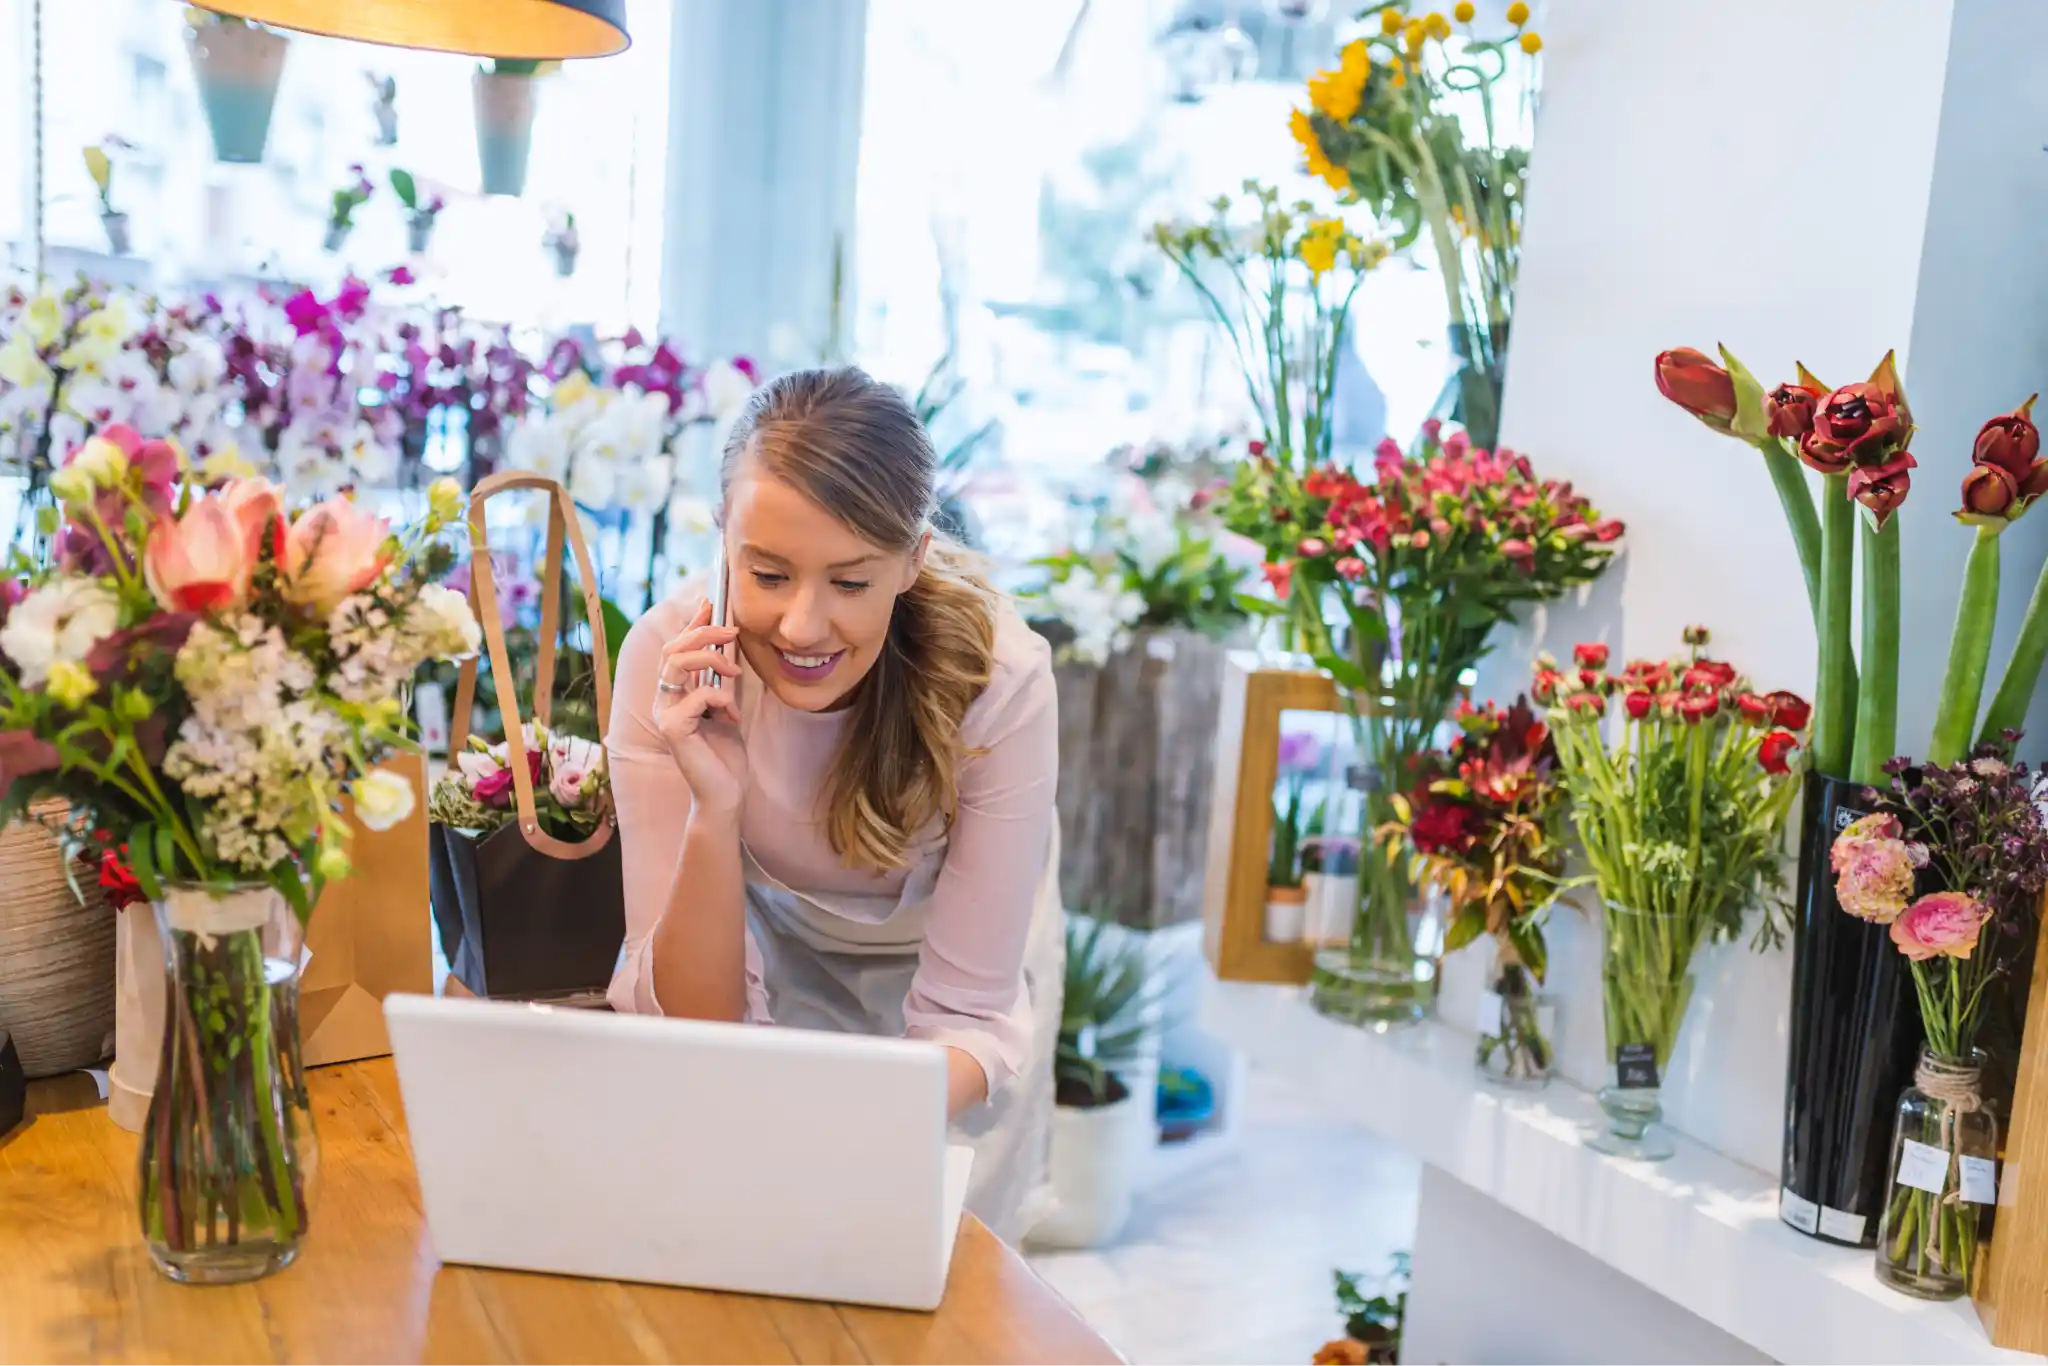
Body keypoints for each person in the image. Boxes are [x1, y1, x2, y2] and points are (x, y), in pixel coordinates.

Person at [606, 366, 1063, 1241]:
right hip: (764, 951)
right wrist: (714, 808)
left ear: (914, 560)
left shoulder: (1000, 679)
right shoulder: (669, 656)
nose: (803, 628)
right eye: (768, 573)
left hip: (956, 1006)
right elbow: (695, 1022)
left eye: (850, 583)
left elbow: (967, 1014)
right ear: (724, 540)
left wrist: (846, 1139)